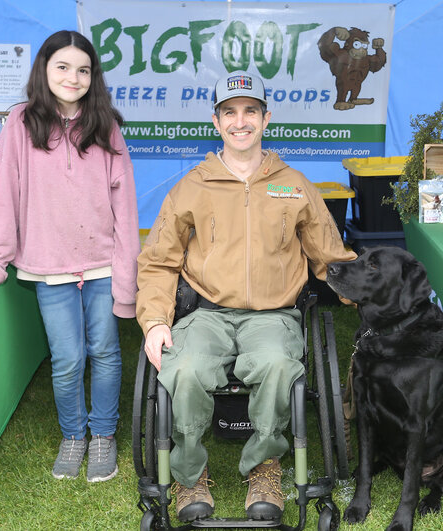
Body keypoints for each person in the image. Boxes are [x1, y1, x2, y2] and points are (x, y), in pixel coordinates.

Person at [136, 71, 356, 522]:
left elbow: (331, 257)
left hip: (273, 316)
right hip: (207, 314)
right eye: (230, 113)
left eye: (250, 112)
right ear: (216, 122)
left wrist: (371, 295)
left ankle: (264, 468)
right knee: (186, 367)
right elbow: (159, 260)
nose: (241, 122)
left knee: (278, 365)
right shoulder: (192, 185)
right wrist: (156, 321)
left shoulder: (294, 184)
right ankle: (189, 474)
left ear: (266, 118)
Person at [0, 30, 139, 483]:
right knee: (68, 357)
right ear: (44, 69)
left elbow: (125, 201)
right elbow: (4, 193)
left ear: (93, 76)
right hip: (47, 264)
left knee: (106, 351)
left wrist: (127, 274)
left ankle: (103, 436)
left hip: (101, 261)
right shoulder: (20, 122)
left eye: (83, 69)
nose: (73, 77)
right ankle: (73, 435)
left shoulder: (106, 123)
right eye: (63, 67)